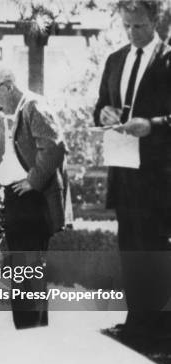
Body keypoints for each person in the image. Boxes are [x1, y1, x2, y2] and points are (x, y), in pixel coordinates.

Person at [93, 0, 171, 344]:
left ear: (154, 20)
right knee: (129, 245)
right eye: (126, 26)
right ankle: (137, 319)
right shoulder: (114, 60)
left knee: (154, 245)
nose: (132, 32)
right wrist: (105, 114)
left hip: (158, 174)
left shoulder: (168, 60)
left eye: (138, 25)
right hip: (123, 169)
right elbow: (97, 108)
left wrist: (151, 125)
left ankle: (155, 324)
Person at [0, 65, 68, 329]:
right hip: (17, 202)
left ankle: (30, 338)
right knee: (23, 274)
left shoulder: (33, 106)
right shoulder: (19, 112)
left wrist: (33, 180)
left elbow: (54, 146)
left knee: (27, 273)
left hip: (32, 203)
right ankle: (31, 335)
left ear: (8, 87)